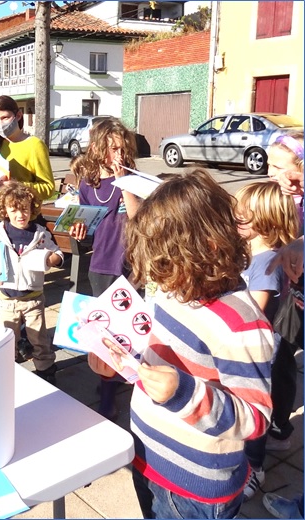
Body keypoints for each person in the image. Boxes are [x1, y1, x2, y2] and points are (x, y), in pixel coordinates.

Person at [87, 168, 273, 519]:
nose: (157, 275)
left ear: (209, 248)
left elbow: (256, 419)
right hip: (146, 458)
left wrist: (185, 393)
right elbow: (152, 354)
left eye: (165, 262)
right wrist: (116, 360)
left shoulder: (242, 325)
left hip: (196, 489)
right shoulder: (175, 289)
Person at [68, 117, 141, 420]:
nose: (118, 155)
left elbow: (138, 218)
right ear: (98, 149)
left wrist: (125, 181)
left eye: (122, 149)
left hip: (132, 264)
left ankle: (123, 381)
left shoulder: (133, 179)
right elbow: (90, 226)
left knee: (130, 330)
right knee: (107, 331)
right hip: (102, 264)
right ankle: (107, 385)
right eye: (112, 149)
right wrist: (79, 232)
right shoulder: (88, 183)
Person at [234, 181, 299, 501]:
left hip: (259, 350)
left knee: (253, 410)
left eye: (242, 217)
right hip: (251, 347)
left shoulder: (267, 264)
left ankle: (255, 469)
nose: (235, 220)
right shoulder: (255, 256)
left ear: (265, 223)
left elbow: (254, 313)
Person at [0, 181, 63, 382]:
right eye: (14, 210)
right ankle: (10, 373)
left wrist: (53, 259)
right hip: (6, 299)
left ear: (32, 209)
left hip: (33, 299)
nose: (20, 215)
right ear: (5, 210)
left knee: (39, 339)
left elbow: (57, 251)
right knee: (8, 339)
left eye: (24, 209)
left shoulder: (39, 233)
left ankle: (46, 371)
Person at [263, 132, 305, 454]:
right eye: (269, 165)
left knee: (280, 357)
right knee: (274, 355)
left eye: (279, 167)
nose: (271, 173)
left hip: (293, 296)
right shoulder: (275, 195)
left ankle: (279, 426)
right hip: (275, 291)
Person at [0, 95, 55, 226]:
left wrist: (16, 186)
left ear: (18, 115)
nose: (0, 124)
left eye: (5, 117)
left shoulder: (34, 145)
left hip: (21, 215)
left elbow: (48, 188)